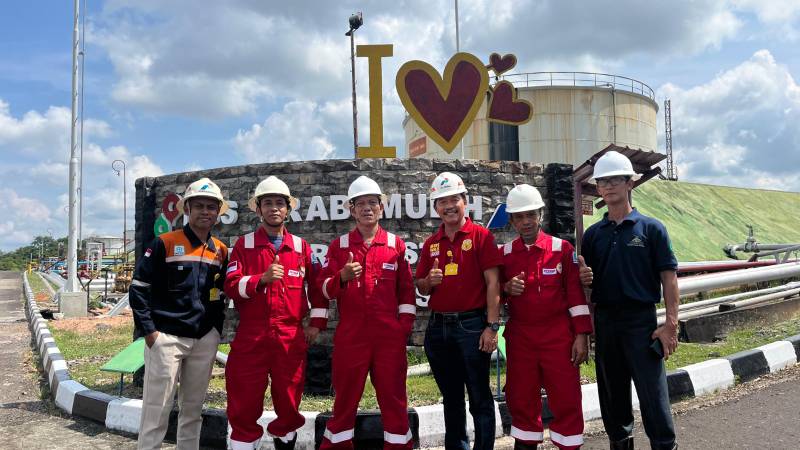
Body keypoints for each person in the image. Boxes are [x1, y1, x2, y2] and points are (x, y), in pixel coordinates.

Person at [579, 151, 679, 450]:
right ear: (597, 188)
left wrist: (671, 324)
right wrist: (585, 282)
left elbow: (669, 277)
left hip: (641, 323)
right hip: (607, 323)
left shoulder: (651, 228)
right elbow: (588, 284)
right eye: (603, 182)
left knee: (654, 399)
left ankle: (664, 444)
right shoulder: (594, 234)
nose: (609, 186)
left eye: (615, 180)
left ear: (629, 184)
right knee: (613, 400)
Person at [316, 176, 417, 450]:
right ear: (351, 209)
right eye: (360, 203)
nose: (367, 208)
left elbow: (406, 291)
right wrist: (342, 276)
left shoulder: (396, 245)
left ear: (382, 208)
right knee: (345, 399)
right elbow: (324, 290)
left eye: (373, 202)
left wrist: (402, 327)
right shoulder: (339, 247)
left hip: (388, 338)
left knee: (394, 398)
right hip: (352, 336)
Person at [223, 176, 323, 450]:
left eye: (280, 203)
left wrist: (316, 323)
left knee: (290, 398)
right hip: (252, 335)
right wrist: (260, 280)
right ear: (258, 209)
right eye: (267, 203)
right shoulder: (243, 245)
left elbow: (317, 290)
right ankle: (244, 442)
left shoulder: (302, 248)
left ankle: (285, 440)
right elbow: (231, 286)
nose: (274, 208)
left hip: (289, 336)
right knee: (244, 398)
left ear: (288, 209)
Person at [129, 177, 229, 450]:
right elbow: (139, 289)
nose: (206, 212)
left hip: (203, 339)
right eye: (199, 206)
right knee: (156, 410)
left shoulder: (219, 250)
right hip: (167, 338)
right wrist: (150, 332)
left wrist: (215, 331)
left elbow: (222, 292)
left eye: (211, 207)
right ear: (187, 209)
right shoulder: (164, 242)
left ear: (218, 211)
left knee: (192, 411)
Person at [500, 184, 592, 450]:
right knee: (521, 398)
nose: (526, 221)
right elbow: (492, 294)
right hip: (521, 338)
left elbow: (576, 297)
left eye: (531, 214)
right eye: (519, 216)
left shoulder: (561, 249)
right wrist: (507, 289)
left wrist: (582, 335)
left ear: (540, 214)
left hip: (558, 337)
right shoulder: (504, 255)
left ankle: (569, 445)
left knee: (566, 397)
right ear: (512, 220)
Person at [415, 172, 502, 450]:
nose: (449, 206)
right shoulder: (431, 244)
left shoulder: (481, 236)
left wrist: (491, 326)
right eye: (442, 201)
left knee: (479, 397)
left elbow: (493, 283)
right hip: (438, 328)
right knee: (451, 398)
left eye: (454, 199)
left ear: (465, 202)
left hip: (472, 327)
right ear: (435, 207)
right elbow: (421, 286)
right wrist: (429, 281)